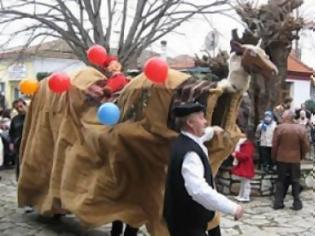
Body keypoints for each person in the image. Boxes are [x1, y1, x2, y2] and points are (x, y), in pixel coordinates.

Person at [163, 102, 244, 236]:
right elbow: (198, 190)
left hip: (182, 220)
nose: (205, 121)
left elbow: (203, 135)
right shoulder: (191, 154)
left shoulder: (182, 141)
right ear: (190, 123)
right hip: (187, 224)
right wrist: (232, 208)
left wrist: (213, 130)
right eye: (201, 118)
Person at [272, 110, 310, 210]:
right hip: (295, 159)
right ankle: (297, 202)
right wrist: (301, 156)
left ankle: (278, 202)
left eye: (283, 116)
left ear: (287, 117)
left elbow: (275, 145)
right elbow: (305, 145)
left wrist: (274, 157)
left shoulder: (280, 128)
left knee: (280, 181)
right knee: (295, 181)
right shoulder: (300, 129)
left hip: (281, 159)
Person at [231, 132, 255, 202]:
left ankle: (246, 196)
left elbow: (246, 155)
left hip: (246, 165)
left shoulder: (247, 144)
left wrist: (236, 154)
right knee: (243, 182)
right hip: (243, 164)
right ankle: (241, 195)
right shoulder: (242, 143)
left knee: (246, 182)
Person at [9, 98, 27, 179]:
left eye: (21, 106)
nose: (19, 109)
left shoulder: (31, 117)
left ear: (25, 105)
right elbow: (11, 132)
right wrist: (11, 143)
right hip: (18, 144)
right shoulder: (15, 119)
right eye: (17, 108)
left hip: (29, 144)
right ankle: (19, 179)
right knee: (19, 163)